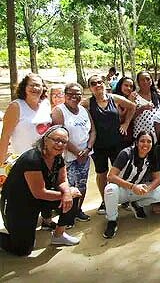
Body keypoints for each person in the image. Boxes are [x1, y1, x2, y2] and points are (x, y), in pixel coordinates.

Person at [1, 126, 81, 256]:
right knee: (22, 250)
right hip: (18, 204)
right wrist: (66, 195)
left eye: (64, 141)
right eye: (56, 140)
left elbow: (62, 180)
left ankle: (58, 236)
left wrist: (67, 193)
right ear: (45, 139)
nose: (60, 144)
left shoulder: (58, 157)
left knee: (74, 195)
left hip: (39, 200)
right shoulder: (32, 159)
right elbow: (40, 192)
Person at [0, 73, 55, 229]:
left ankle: (47, 219)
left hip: (45, 157)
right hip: (24, 160)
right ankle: (25, 224)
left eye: (38, 85)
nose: (35, 88)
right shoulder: (16, 106)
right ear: (24, 87)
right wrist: (1, 162)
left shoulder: (45, 104)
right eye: (31, 85)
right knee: (27, 193)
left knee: (47, 187)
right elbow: (5, 136)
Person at [82, 74, 136, 215]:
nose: (98, 85)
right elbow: (73, 111)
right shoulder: (87, 103)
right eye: (94, 83)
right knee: (101, 174)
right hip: (98, 145)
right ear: (90, 88)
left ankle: (124, 199)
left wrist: (126, 123)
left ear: (104, 83)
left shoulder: (114, 98)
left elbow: (132, 107)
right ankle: (105, 200)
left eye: (100, 82)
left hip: (116, 143)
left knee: (120, 171)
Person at [102, 131, 160, 239]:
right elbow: (111, 176)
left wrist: (148, 189)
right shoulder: (126, 153)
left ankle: (137, 204)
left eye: (149, 141)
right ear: (136, 143)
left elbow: (157, 179)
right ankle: (112, 220)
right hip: (121, 190)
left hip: (138, 189)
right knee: (110, 188)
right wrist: (132, 186)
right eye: (142, 141)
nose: (145, 144)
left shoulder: (152, 156)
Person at [51, 83, 95, 224]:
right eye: (70, 94)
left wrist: (87, 149)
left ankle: (78, 210)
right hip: (67, 157)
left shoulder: (84, 110)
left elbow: (93, 131)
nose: (74, 97)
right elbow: (59, 135)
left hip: (85, 155)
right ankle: (66, 216)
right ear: (65, 94)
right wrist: (77, 152)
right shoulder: (59, 111)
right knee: (67, 186)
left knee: (82, 184)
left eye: (77, 94)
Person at [132, 71, 160, 140]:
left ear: (151, 81)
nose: (145, 81)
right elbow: (130, 117)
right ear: (138, 82)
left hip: (157, 134)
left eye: (148, 79)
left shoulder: (158, 95)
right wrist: (142, 109)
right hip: (140, 134)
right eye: (142, 80)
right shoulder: (134, 96)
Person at [112, 76, 137, 148]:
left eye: (131, 86)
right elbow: (121, 117)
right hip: (119, 134)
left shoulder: (134, 98)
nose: (128, 88)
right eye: (126, 85)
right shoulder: (114, 99)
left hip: (131, 134)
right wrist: (130, 103)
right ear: (120, 86)